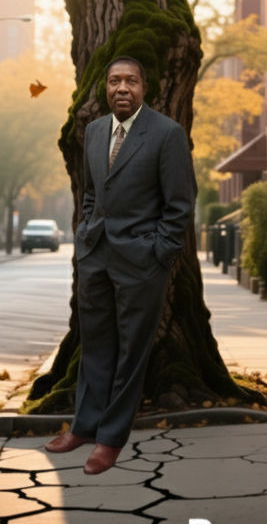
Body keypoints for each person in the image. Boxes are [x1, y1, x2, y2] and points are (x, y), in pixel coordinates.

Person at [45, 55, 196, 474]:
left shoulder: (166, 134)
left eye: (131, 80)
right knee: (94, 345)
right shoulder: (94, 132)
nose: (122, 88)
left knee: (131, 353)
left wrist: (157, 254)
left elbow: (180, 206)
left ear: (144, 88)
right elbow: (91, 192)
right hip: (96, 258)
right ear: (105, 88)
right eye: (114, 81)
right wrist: (86, 237)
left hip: (141, 263)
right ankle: (84, 426)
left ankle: (110, 439)